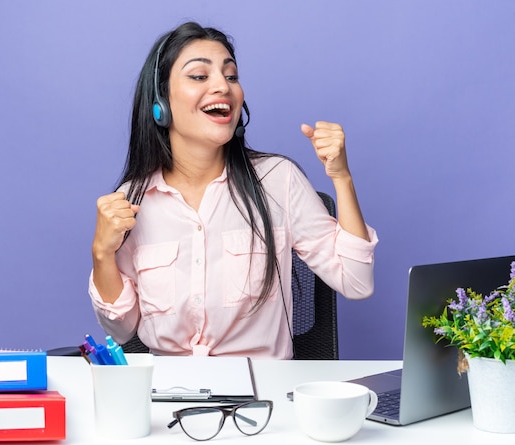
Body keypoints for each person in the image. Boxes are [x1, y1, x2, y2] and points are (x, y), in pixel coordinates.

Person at [88, 21, 378, 359]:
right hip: (171, 397)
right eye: (199, 76)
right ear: (160, 103)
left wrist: (341, 177)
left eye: (231, 76)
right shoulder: (132, 201)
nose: (222, 87)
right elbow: (120, 328)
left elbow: (356, 282)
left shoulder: (277, 180)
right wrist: (101, 253)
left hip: (261, 397)